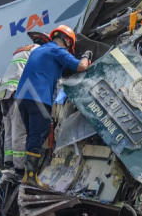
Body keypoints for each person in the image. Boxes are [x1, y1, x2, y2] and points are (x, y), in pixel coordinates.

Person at [15, 25, 91, 189]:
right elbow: (82, 67)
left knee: (31, 135)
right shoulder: (58, 51)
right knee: (37, 136)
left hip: (22, 97)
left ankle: (28, 176)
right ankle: (31, 177)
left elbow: (56, 70)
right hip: (39, 98)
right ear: (66, 41)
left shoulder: (39, 51)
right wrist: (86, 56)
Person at [0, 33, 48, 174]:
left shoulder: (23, 49)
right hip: (17, 89)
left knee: (9, 126)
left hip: (4, 91)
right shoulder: (39, 51)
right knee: (20, 129)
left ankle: (9, 161)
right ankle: (20, 167)